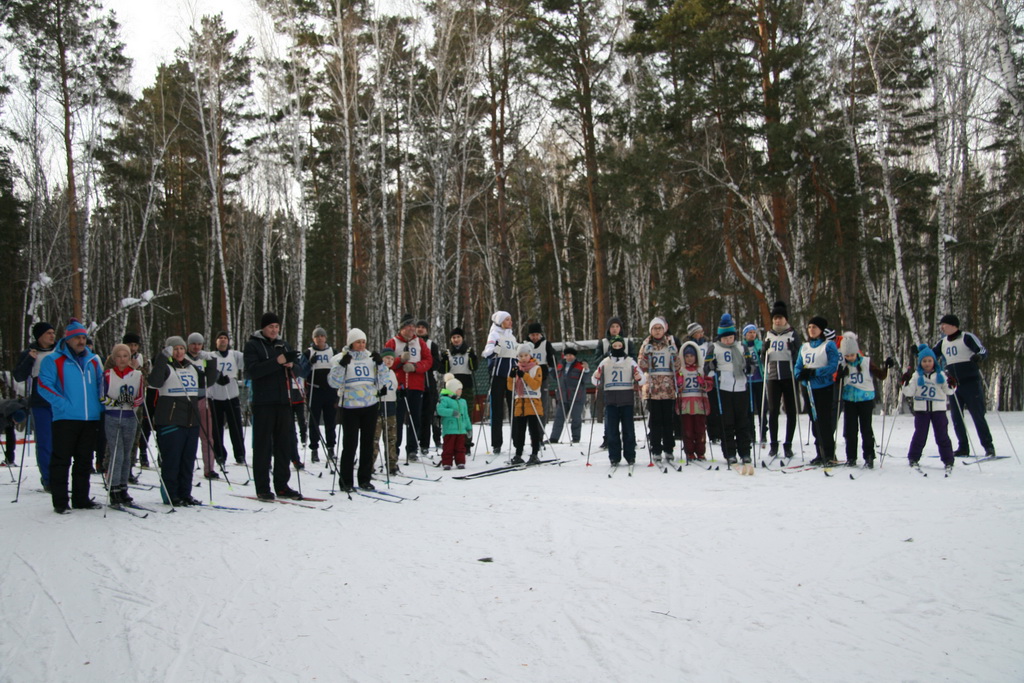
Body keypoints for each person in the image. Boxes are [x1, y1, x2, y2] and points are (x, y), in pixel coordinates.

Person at [36, 320, 105, 513]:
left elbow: (101, 385)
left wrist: (100, 406)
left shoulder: (93, 360)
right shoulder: (53, 359)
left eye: (83, 337)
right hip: (65, 418)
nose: (81, 341)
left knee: (84, 461)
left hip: (90, 418)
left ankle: (81, 499)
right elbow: (44, 386)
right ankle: (60, 502)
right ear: (68, 339)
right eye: (77, 337)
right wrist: (63, 404)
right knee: (61, 460)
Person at [243, 313, 304, 501]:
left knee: (284, 444)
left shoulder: (283, 345)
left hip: (284, 401)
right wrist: (277, 362)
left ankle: (282, 485)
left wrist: (292, 364)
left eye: (277, 327)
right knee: (263, 446)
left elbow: (300, 369)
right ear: (263, 328)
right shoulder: (253, 345)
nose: (274, 330)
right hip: (263, 402)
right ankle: (262, 487)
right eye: (271, 327)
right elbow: (252, 371)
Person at [328, 328, 386, 491]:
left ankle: (364, 479)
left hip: (370, 405)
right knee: (350, 444)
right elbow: (333, 382)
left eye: (363, 342)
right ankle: (346, 481)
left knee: (367, 443)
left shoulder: (370, 358)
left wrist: (381, 364)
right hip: (350, 406)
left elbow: (384, 380)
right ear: (350, 343)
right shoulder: (340, 358)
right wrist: (341, 366)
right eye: (358, 342)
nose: (361, 345)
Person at [149, 336, 203, 506]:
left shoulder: (192, 367)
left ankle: (185, 493)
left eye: (181, 348)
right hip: (171, 421)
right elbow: (154, 382)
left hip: (191, 422)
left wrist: (212, 362)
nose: (178, 352)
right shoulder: (165, 367)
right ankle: (171, 494)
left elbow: (205, 385)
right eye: (175, 349)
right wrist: (162, 357)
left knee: (188, 461)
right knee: (172, 461)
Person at [933, 315, 994, 457]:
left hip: (971, 383)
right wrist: (918, 352)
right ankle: (963, 447)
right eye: (941, 325)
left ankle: (988, 447)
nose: (942, 328)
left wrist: (979, 356)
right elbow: (930, 355)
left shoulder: (966, 337)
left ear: (954, 325)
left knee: (978, 416)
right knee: (957, 418)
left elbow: (982, 350)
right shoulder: (942, 343)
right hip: (954, 385)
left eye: (944, 325)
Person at [706, 314, 754, 470]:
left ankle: (745, 452)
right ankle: (730, 453)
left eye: (730, 337)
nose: (728, 340)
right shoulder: (714, 347)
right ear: (720, 337)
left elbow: (752, 367)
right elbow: (706, 369)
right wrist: (711, 367)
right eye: (725, 338)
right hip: (724, 389)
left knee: (743, 422)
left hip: (741, 388)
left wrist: (749, 368)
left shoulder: (742, 347)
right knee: (727, 423)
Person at [13, 321, 57, 490]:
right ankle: (48, 479)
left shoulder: (59, 352)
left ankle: (59, 476)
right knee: (45, 441)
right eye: (48, 333)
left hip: (59, 401)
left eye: (53, 332)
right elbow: (19, 376)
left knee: (60, 441)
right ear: (39, 336)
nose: (52, 336)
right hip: (40, 403)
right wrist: (30, 359)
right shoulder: (30, 352)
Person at [838, 332, 890, 468]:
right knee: (850, 430)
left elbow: (881, 375)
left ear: (857, 352)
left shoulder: (866, 362)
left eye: (852, 354)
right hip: (849, 400)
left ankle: (869, 455)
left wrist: (887, 367)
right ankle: (851, 457)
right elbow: (836, 381)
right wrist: (839, 375)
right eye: (847, 355)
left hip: (865, 400)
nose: (850, 358)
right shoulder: (842, 364)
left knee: (866, 429)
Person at [591, 336, 646, 467]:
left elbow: (642, 379)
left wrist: (638, 377)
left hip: (626, 399)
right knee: (612, 431)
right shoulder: (605, 361)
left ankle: (630, 456)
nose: (617, 348)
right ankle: (614, 457)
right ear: (611, 347)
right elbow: (595, 380)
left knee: (628, 430)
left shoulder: (630, 361)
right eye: (614, 346)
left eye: (619, 346)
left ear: (623, 347)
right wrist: (597, 377)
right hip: (611, 400)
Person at [386, 315, 434, 463]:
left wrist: (415, 367)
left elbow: (428, 361)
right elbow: (385, 362)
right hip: (398, 387)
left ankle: (412, 449)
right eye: (408, 327)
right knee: (398, 419)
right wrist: (400, 361)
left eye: (413, 327)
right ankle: (395, 448)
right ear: (402, 328)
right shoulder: (393, 342)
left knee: (415, 419)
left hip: (416, 385)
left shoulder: (419, 342)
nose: (412, 329)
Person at [902, 345, 957, 474]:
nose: (927, 364)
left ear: (934, 361)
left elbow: (948, 391)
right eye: (924, 361)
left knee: (942, 435)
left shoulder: (940, 375)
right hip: (922, 411)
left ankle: (948, 459)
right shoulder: (916, 376)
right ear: (920, 362)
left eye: (929, 361)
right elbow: (909, 392)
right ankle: (913, 457)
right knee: (920, 435)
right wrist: (904, 383)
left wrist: (953, 384)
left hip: (938, 410)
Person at [795, 315, 841, 466]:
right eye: (809, 327)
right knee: (814, 421)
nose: (811, 330)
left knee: (824, 422)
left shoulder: (829, 345)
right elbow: (798, 366)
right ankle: (819, 453)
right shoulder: (805, 347)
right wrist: (800, 375)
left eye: (814, 327)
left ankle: (828, 453)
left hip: (824, 387)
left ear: (821, 330)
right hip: (808, 388)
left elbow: (832, 366)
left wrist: (815, 372)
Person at [102, 343, 145, 505]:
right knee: (117, 453)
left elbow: (141, 396)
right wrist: (115, 402)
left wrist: (133, 402)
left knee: (127, 453)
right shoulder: (108, 374)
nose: (122, 359)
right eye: (118, 356)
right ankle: (113, 487)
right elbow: (101, 395)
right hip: (113, 416)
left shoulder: (136, 375)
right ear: (114, 359)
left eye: (125, 356)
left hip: (130, 417)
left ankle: (123, 487)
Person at [637, 316, 681, 462]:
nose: (657, 331)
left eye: (660, 328)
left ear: (664, 329)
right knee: (655, 420)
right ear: (651, 330)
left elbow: (677, 366)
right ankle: (656, 448)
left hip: (668, 388)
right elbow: (641, 366)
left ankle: (669, 448)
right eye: (655, 328)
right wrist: (645, 355)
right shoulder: (646, 343)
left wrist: (674, 355)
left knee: (668, 420)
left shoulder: (670, 342)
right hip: (653, 389)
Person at [763, 301, 800, 459]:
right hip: (773, 376)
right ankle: (773, 444)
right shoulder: (769, 334)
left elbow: (800, 355)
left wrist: (794, 350)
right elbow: (763, 355)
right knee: (773, 411)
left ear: (785, 319)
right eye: (775, 318)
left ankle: (788, 444)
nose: (778, 321)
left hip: (788, 375)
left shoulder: (792, 334)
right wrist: (763, 350)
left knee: (791, 410)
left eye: (780, 318)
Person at [186, 333, 222, 479]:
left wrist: (211, 362)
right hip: (187, 400)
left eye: (199, 344)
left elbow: (211, 379)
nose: (196, 347)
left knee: (207, 436)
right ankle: (186, 466)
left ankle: (209, 468)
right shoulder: (184, 357)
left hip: (202, 399)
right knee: (189, 436)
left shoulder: (204, 358)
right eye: (193, 344)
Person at [208, 331, 247, 465]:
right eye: (220, 338)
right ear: (216, 341)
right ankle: (219, 454)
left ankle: (240, 454)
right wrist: (216, 376)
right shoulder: (211, 356)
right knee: (216, 428)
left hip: (232, 395)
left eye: (225, 338)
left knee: (235, 427)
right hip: (215, 396)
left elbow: (247, 360)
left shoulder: (234, 354)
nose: (223, 340)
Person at [482, 311, 517, 454]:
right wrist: (496, 349)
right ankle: (497, 443)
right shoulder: (494, 334)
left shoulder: (512, 336)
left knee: (514, 409)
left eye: (510, 319)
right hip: (498, 375)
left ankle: (517, 440)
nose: (510, 322)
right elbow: (487, 352)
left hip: (511, 376)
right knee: (497, 409)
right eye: (507, 320)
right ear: (501, 321)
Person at [303, 326, 337, 463]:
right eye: (317, 336)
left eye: (322, 336)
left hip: (329, 390)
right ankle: (314, 449)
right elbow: (301, 372)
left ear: (326, 338)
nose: (320, 339)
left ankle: (331, 448)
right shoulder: (308, 353)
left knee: (330, 421)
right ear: (313, 339)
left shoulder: (333, 352)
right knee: (314, 421)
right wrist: (309, 364)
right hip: (314, 390)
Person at [507, 342, 544, 464]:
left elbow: (535, 385)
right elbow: (510, 387)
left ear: (530, 355)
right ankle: (518, 454)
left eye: (525, 355)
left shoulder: (536, 368)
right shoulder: (517, 368)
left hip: (533, 402)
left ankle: (534, 453)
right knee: (519, 431)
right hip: (520, 404)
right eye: (520, 356)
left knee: (534, 430)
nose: (523, 358)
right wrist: (511, 377)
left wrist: (525, 376)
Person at [677, 342, 712, 461]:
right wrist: (679, 384)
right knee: (687, 429)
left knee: (700, 428)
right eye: (687, 356)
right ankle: (689, 451)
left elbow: (710, 384)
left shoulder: (701, 370)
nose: (689, 359)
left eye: (692, 356)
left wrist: (704, 384)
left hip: (699, 404)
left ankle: (700, 452)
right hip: (685, 404)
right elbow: (676, 384)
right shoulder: (681, 370)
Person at [548, 344, 589, 444]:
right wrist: (550, 369)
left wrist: (587, 370)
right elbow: (556, 377)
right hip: (563, 396)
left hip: (576, 396)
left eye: (571, 355)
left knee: (576, 418)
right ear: (564, 356)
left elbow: (586, 380)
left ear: (574, 356)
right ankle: (554, 438)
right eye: (567, 355)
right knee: (559, 417)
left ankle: (576, 438)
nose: (569, 357)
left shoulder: (580, 365)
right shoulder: (560, 365)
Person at [443, 327, 476, 447]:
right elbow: (443, 370)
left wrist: (473, 357)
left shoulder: (468, 351)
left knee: (466, 415)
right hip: (451, 388)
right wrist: (444, 359)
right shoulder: (448, 352)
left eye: (458, 337)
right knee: (452, 414)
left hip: (466, 387)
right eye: (453, 337)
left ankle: (466, 442)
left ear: (462, 338)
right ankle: (452, 442)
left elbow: (474, 367)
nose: (456, 340)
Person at [416, 320, 443, 454]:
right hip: (415, 380)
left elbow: (437, 365)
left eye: (423, 328)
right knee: (416, 414)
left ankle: (425, 444)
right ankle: (415, 442)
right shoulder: (411, 343)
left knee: (428, 413)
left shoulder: (431, 344)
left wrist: (425, 362)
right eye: (418, 327)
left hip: (428, 381)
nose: (420, 330)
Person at [436, 376, 472, 470]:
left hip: (461, 430)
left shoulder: (463, 401)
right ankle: (447, 463)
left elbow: (466, 416)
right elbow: (440, 410)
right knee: (448, 448)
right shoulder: (445, 399)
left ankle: (460, 462)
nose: (461, 391)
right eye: (459, 389)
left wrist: (468, 428)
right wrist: (451, 412)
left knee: (460, 448)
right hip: (450, 429)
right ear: (453, 389)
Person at [526, 322, 558, 425]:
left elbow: (552, 361)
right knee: (529, 406)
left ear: (540, 334)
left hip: (542, 379)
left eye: (536, 335)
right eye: (532, 335)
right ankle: (532, 432)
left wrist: (552, 358)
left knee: (542, 405)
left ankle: (540, 433)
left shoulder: (546, 344)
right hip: (528, 379)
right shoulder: (525, 344)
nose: (534, 337)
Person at [374, 349, 399, 475]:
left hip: (390, 408)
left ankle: (392, 464)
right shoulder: (376, 371)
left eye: (391, 359)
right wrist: (378, 393)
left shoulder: (393, 373)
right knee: (375, 438)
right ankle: (369, 463)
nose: (389, 361)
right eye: (386, 358)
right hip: (378, 407)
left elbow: (394, 389)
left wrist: (400, 393)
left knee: (391, 438)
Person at [743, 324, 766, 446]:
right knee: (749, 409)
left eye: (754, 332)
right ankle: (751, 434)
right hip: (747, 381)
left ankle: (764, 433)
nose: (752, 335)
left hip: (759, 379)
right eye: (749, 333)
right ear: (745, 335)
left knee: (762, 407)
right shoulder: (742, 346)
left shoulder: (760, 345)